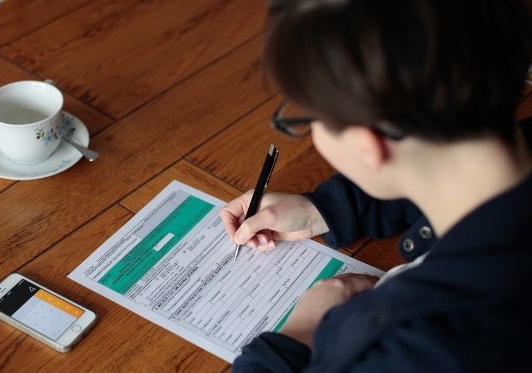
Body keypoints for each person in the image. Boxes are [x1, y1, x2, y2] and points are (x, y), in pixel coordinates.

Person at [220, 0, 532, 371]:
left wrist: (302, 329)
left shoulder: (414, 348)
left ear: (368, 144)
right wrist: (325, 209)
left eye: (309, 117)